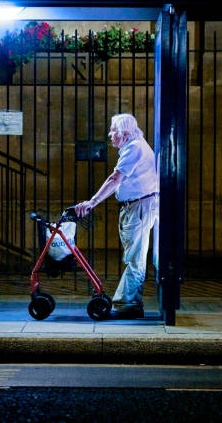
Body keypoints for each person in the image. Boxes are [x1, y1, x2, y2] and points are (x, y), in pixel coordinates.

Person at [75, 113, 159, 319]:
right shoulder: (137, 145)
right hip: (139, 206)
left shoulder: (134, 147)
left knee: (135, 258)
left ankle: (126, 304)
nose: (110, 134)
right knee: (136, 256)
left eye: (113, 130)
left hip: (138, 207)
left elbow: (115, 179)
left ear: (125, 133)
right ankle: (131, 303)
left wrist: (91, 202)